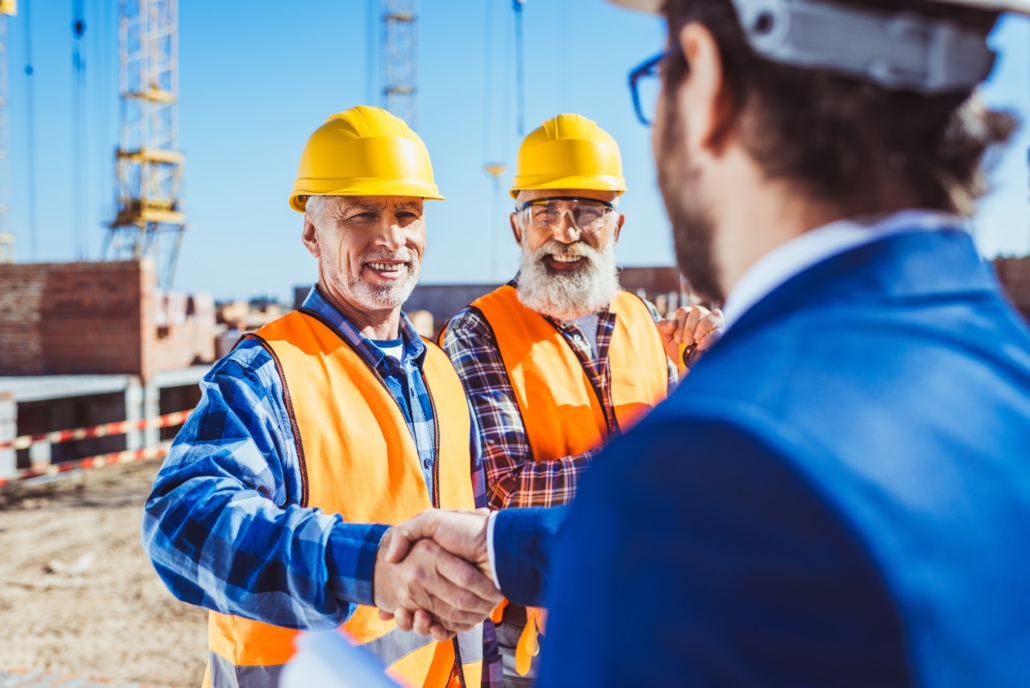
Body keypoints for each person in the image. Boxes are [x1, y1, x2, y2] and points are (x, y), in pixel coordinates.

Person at [380, 0, 1030, 685]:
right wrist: (499, 543)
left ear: (708, 85)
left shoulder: (690, 476)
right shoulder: (1006, 374)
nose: (565, 231)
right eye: (545, 211)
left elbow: (708, 521)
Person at [141, 106, 502, 688]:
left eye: (408, 213)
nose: (391, 237)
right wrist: (369, 566)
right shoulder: (268, 371)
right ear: (311, 233)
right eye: (362, 214)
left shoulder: (440, 373)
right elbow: (180, 520)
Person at [440, 113, 722, 684]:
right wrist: (660, 462)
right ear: (519, 229)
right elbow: (506, 488)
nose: (565, 233)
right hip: (540, 627)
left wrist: (711, 370)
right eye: (545, 212)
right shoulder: (479, 331)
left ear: (616, 225)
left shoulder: (643, 320)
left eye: (586, 213)